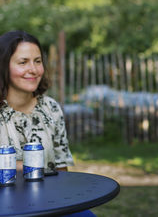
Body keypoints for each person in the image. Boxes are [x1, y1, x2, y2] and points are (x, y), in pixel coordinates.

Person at [0, 30, 95, 217]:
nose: (33, 70)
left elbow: (61, 168)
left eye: (37, 61)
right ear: (3, 66)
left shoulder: (51, 108)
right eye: (23, 62)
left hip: (46, 202)